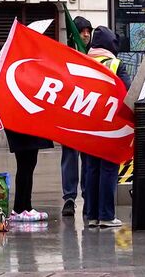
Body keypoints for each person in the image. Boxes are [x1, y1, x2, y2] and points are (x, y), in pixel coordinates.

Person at [84, 25, 131, 228]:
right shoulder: (115, 64)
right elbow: (127, 92)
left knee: (92, 169)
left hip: (87, 123)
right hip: (109, 123)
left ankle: (92, 216)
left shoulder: (83, 61)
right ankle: (107, 215)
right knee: (109, 168)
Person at [61, 15, 92, 217]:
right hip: (70, 115)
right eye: (82, 31)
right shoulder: (64, 55)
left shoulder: (95, 55)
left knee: (89, 158)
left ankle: (88, 196)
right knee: (70, 157)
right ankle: (69, 198)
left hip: (89, 116)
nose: (86, 35)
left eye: (89, 31)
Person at [5, 130, 53, 221]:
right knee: (24, 163)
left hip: (29, 124)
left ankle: (26, 207)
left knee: (30, 163)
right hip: (19, 125)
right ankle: (19, 209)